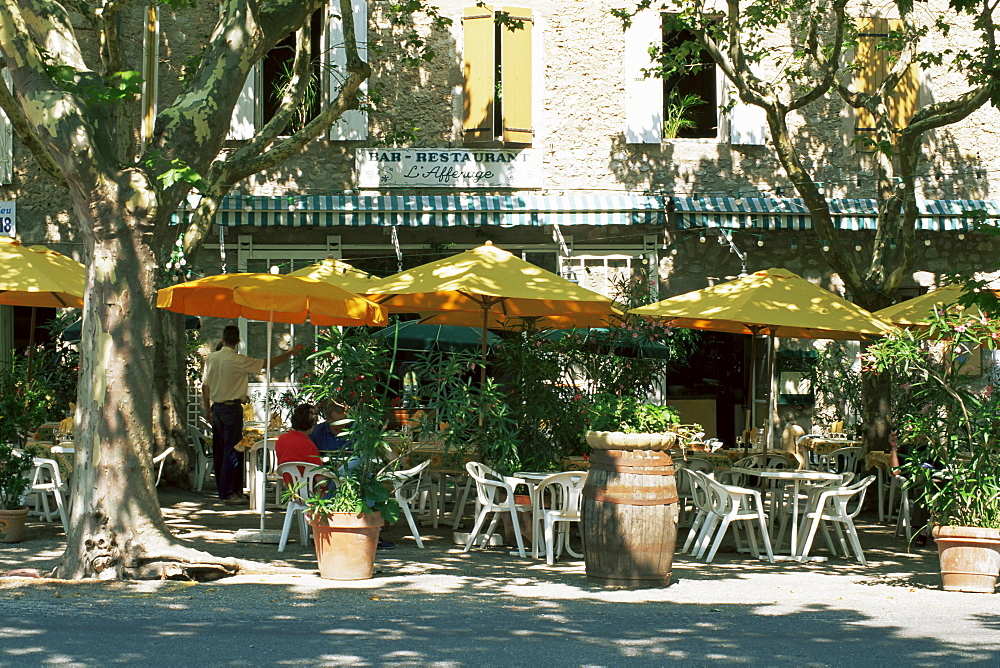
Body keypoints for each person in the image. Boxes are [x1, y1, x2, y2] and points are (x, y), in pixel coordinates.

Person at [202, 325, 302, 505]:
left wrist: (206, 409)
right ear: (238, 341)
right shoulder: (239, 360)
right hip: (231, 409)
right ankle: (228, 493)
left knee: (220, 450)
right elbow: (266, 364)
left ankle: (229, 490)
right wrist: (290, 353)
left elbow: (205, 386)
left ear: (223, 340)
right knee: (233, 450)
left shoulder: (211, 358)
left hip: (217, 407)